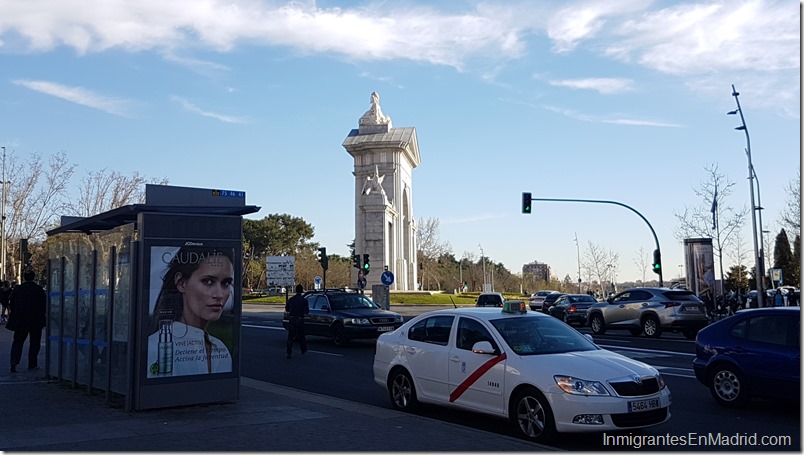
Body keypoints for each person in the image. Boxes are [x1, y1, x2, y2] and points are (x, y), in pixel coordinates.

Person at [146, 246, 235, 377]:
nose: (219, 294)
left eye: (226, 283)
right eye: (208, 281)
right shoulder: (154, 347)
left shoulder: (220, 349)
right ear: (181, 283)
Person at [8, 270, 47, 373]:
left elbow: (12, 304)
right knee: (35, 342)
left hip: (20, 320)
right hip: (35, 320)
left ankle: (14, 362)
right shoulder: (38, 290)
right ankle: (32, 364)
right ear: (33, 277)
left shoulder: (18, 289)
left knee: (18, 341)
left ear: (24, 277)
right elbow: (44, 305)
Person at [285, 284, 309, 359]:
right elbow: (306, 311)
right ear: (302, 291)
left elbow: (287, 309)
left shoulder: (291, 299)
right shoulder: (304, 300)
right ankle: (303, 350)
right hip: (300, 319)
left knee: (290, 337)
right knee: (301, 336)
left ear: (296, 291)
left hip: (292, 319)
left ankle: (289, 352)